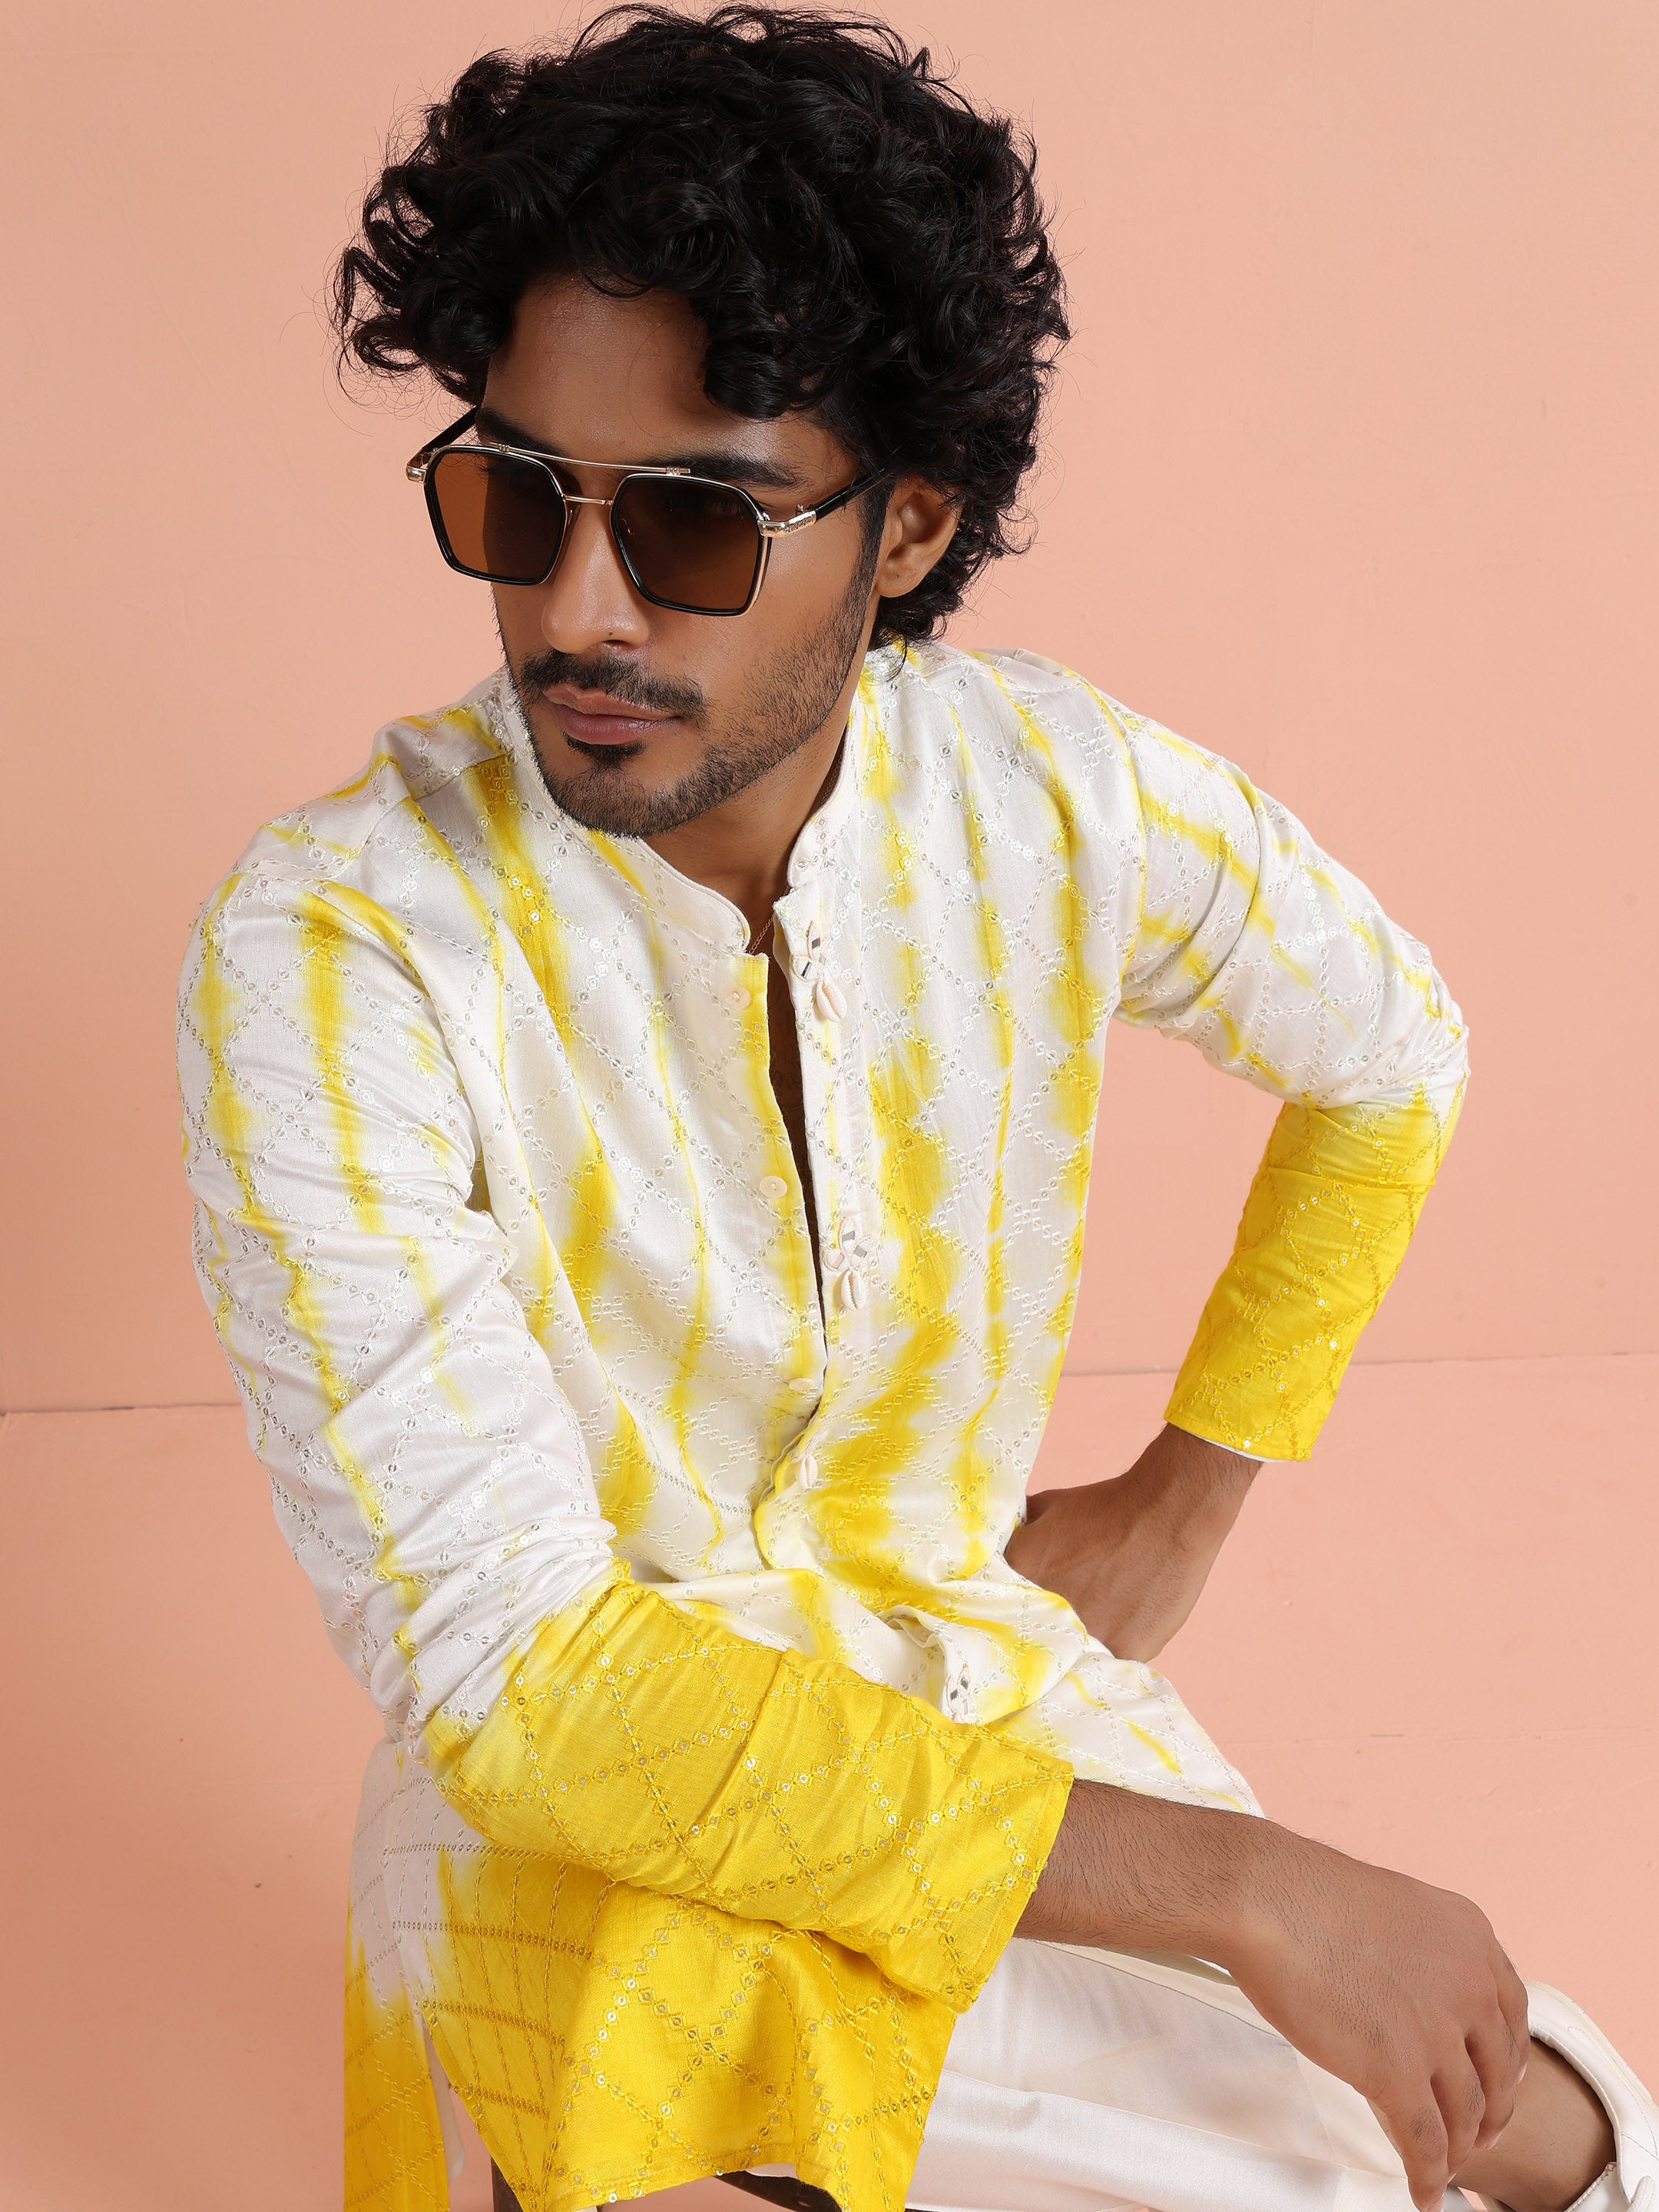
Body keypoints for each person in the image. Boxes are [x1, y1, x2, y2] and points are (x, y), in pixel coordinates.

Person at [175, 11, 1655, 2212]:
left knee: (1547, 2148)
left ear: (909, 526)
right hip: (580, 1832)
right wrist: (1245, 1888)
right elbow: (523, 1684)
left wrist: (1193, 1493)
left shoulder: (1044, 794)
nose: (574, 608)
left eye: (693, 520)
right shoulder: (341, 947)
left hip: (979, 1706)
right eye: (516, 497)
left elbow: (1393, 1052)